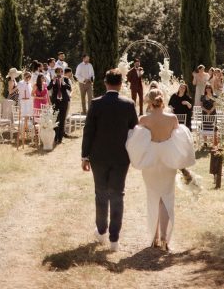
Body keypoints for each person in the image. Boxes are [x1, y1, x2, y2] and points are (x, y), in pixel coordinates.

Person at [126, 88, 195, 251]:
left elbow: (136, 142)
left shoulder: (143, 119)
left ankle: (154, 237)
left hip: (150, 163)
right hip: (167, 163)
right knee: (166, 199)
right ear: (162, 100)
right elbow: (180, 142)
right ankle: (164, 237)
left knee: (153, 198)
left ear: (149, 102)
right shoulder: (172, 119)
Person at [81, 68, 138, 252]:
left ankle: (101, 230)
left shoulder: (96, 103)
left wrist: (85, 156)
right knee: (117, 195)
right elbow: (135, 132)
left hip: (98, 157)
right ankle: (114, 239)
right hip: (122, 158)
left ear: (105, 83)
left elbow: (88, 131)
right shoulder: (129, 104)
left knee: (101, 194)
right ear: (121, 84)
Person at [48, 66, 71, 143]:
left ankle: (60, 138)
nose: (59, 73)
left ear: (62, 72)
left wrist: (63, 82)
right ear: (56, 72)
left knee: (62, 119)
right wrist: (53, 82)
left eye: (61, 72)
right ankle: (55, 137)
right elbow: (48, 88)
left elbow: (69, 88)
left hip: (64, 101)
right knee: (55, 119)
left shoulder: (66, 79)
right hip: (56, 101)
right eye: (58, 72)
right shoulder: (53, 79)